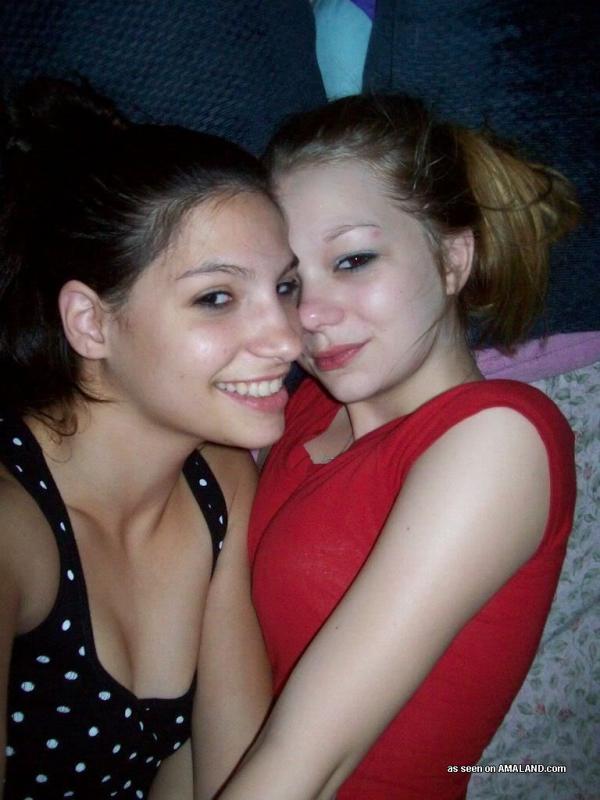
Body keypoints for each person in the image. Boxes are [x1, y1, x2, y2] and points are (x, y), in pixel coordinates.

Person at [219, 94, 581, 799]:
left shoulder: (499, 438)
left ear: (452, 259)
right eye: (289, 282)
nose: (309, 316)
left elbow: (309, 761)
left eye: (353, 260)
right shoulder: (300, 412)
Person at [0, 78, 302, 799]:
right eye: (217, 298)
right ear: (91, 323)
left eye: (285, 287)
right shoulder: (12, 525)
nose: (290, 340)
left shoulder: (222, 481)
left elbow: (223, 773)